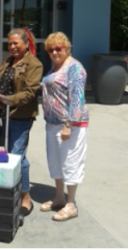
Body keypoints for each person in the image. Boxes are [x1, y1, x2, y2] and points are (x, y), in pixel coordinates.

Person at [0, 28, 44, 216]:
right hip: (4, 115)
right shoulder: (8, 61)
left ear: (26, 43)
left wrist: (6, 99)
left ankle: (25, 197)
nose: (12, 47)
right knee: (14, 156)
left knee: (16, 157)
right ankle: (11, 193)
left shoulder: (34, 64)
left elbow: (30, 93)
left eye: (15, 43)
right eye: (9, 43)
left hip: (21, 116)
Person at [39, 32, 90, 222]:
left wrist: (68, 124)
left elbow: (77, 98)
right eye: (50, 49)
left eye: (58, 48)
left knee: (70, 163)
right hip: (52, 124)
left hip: (70, 125)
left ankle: (71, 204)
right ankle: (59, 197)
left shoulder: (74, 68)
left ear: (66, 48)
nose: (54, 52)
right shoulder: (55, 67)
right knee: (55, 162)